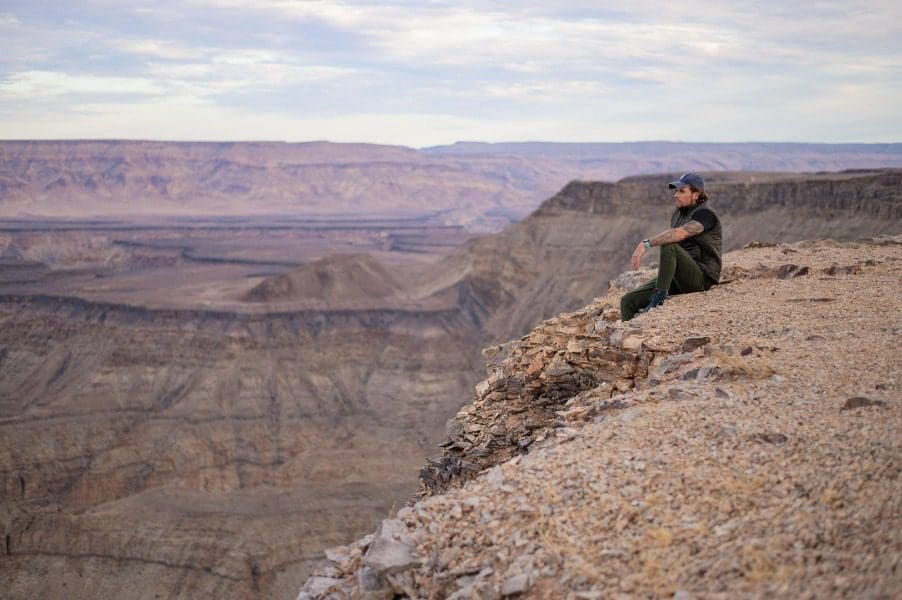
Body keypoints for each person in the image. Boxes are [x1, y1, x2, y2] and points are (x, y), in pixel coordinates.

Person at [620, 172, 722, 321]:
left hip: (701, 278)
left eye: (681, 191)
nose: (676, 195)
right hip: (680, 275)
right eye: (675, 191)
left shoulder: (705, 214)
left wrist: (646, 244)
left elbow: (680, 234)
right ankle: (625, 335)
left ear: (696, 194)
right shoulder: (678, 214)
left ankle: (658, 299)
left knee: (669, 246)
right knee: (627, 301)